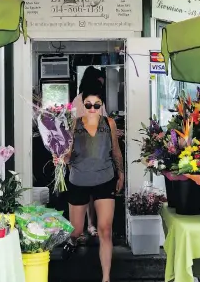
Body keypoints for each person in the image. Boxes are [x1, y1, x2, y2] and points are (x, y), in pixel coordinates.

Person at [59, 83, 124, 282]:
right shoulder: (74, 124)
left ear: (102, 105)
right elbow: (68, 155)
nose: (93, 109)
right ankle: (71, 241)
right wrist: (61, 158)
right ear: (82, 105)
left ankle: (106, 278)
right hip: (79, 179)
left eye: (97, 105)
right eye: (89, 105)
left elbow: (115, 150)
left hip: (104, 179)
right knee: (77, 230)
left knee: (105, 230)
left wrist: (120, 173)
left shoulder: (109, 123)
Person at [71, 66, 107, 239]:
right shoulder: (89, 101)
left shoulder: (77, 100)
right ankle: (90, 225)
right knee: (91, 191)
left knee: (83, 192)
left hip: (81, 154)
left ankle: (82, 228)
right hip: (91, 152)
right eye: (100, 83)